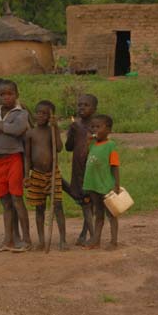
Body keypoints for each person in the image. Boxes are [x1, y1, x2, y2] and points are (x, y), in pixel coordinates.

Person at [0, 80, 31, 252]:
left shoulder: (21, 112)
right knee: (5, 201)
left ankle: (26, 240)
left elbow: (18, 130)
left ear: (16, 95)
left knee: (17, 198)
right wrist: (3, 128)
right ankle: (8, 239)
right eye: (2, 94)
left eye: (10, 94)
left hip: (14, 158)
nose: (6, 97)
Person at [24, 100, 67, 251]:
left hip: (52, 174)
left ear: (51, 116)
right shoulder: (30, 134)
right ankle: (41, 240)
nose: (41, 115)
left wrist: (55, 128)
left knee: (58, 206)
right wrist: (26, 175)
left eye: (45, 113)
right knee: (39, 208)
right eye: (38, 112)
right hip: (36, 174)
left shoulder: (51, 131)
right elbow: (28, 157)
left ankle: (63, 240)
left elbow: (60, 148)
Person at [62, 94, 98, 246]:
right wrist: (71, 132)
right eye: (79, 105)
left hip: (92, 169)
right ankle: (85, 235)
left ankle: (93, 237)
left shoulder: (96, 126)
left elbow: (98, 145)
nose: (81, 108)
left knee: (87, 202)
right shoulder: (76, 126)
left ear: (94, 109)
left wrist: (82, 131)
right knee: (85, 202)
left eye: (86, 105)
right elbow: (69, 147)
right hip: (78, 169)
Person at [82, 114, 120, 250]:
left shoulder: (111, 145)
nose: (94, 130)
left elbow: (115, 166)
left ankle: (114, 241)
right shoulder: (92, 144)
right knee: (98, 213)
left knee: (111, 214)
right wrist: (87, 143)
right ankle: (96, 240)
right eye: (92, 127)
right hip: (93, 184)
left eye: (98, 127)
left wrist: (116, 185)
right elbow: (85, 157)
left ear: (108, 129)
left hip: (105, 185)